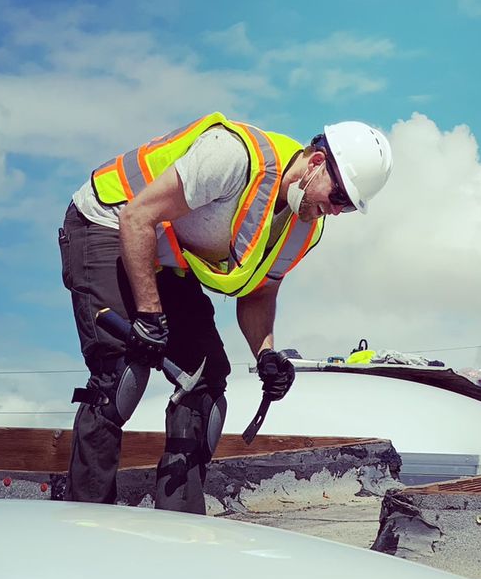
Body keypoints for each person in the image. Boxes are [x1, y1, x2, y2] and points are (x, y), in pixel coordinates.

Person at [58, 113, 393, 513]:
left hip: (161, 252)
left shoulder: (304, 224)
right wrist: (149, 317)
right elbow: (137, 217)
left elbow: (260, 292)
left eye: (350, 208)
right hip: (108, 221)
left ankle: (179, 523)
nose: (336, 212)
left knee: (206, 380)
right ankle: (87, 518)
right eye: (339, 198)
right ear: (318, 163)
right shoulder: (232, 157)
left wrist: (266, 354)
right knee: (121, 374)